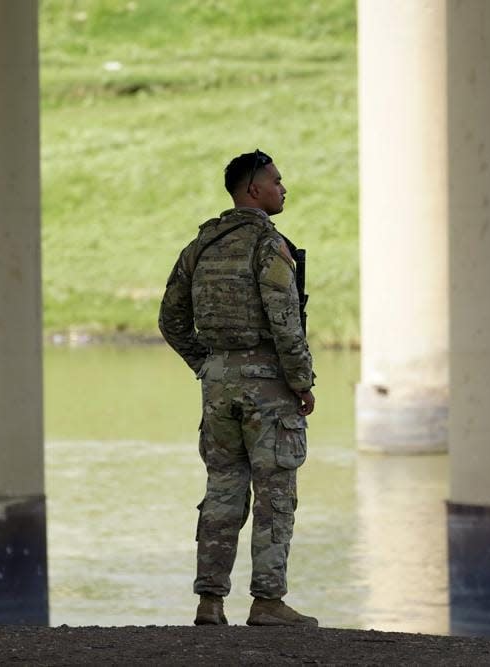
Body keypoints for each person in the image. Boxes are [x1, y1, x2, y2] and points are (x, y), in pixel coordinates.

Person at [158, 149, 318, 627]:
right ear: (254, 190)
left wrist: (207, 365)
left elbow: (170, 319)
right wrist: (302, 381)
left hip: (219, 386)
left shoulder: (201, 245)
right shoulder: (268, 246)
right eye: (276, 181)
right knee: (275, 494)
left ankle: (210, 602)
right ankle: (268, 602)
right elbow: (285, 321)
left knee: (223, 489)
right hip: (268, 387)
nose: (283, 188)